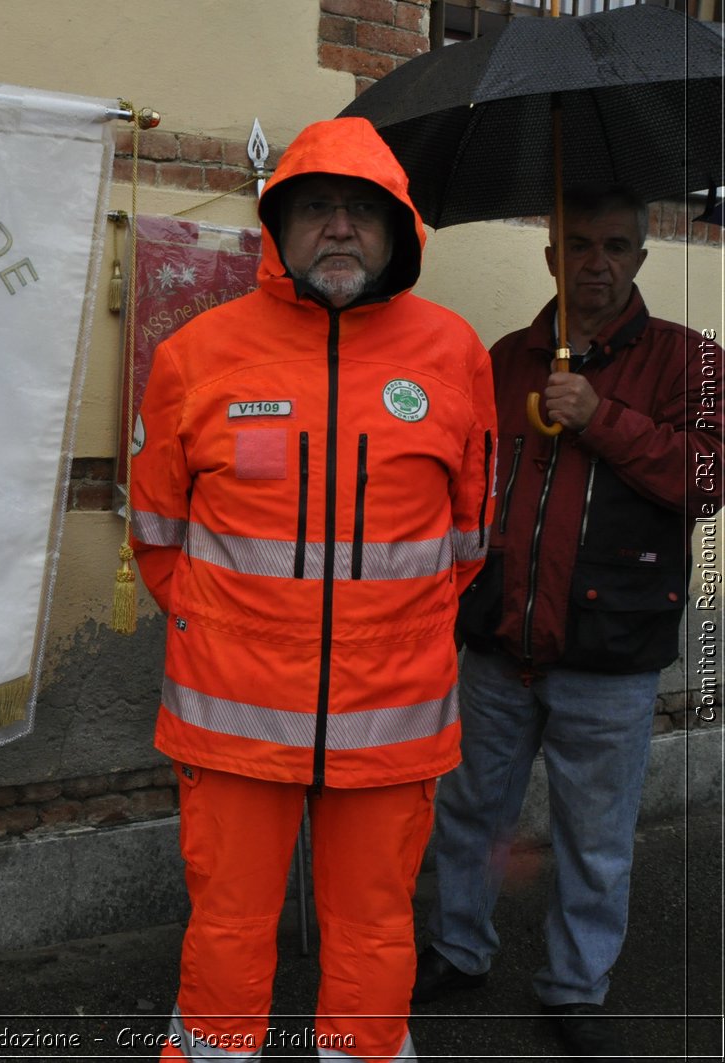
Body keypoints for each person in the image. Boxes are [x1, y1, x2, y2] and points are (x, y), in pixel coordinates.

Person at [129, 116, 496, 1062]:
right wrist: (246, 637)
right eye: (319, 208)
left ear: (399, 231)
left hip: (392, 717)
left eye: (363, 212)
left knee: (377, 931)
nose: (341, 228)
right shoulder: (195, 358)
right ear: (280, 227)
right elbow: (159, 539)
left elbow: (466, 544)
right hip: (233, 716)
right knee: (226, 931)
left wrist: (379, 636)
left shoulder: (455, 356)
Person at [417, 186, 720, 1058]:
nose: (597, 262)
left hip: (610, 650)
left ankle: (576, 983)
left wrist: (604, 418)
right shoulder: (506, 358)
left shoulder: (689, 361)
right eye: (578, 244)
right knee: (471, 812)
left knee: (597, 836)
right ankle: (459, 947)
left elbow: (708, 477)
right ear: (551, 257)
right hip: (497, 638)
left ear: (641, 257)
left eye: (616, 245)